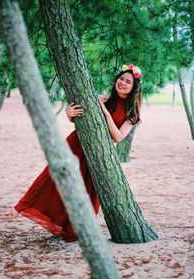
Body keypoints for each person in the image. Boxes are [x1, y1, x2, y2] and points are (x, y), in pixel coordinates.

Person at [10, 64, 142, 242]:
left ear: (134, 87)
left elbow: (117, 137)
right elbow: (78, 115)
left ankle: (72, 228)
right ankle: (23, 206)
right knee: (53, 176)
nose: (123, 83)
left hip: (99, 155)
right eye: (121, 79)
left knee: (86, 189)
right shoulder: (103, 98)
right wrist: (69, 113)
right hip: (76, 143)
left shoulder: (132, 113)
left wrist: (104, 112)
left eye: (128, 82)